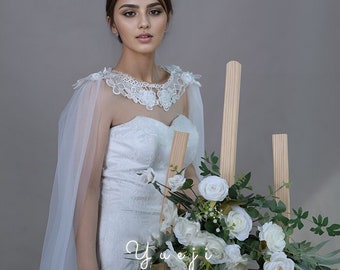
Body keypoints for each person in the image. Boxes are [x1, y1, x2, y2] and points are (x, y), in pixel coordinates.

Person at [39, 0, 204, 269]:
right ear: (112, 24)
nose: (144, 23)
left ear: (168, 17)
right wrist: (87, 264)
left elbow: (188, 176)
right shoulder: (100, 93)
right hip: (120, 245)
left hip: (175, 247)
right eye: (129, 13)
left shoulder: (184, 87)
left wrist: (216, 229)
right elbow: (87, 190)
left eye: (154, 11)